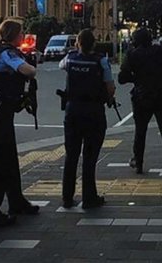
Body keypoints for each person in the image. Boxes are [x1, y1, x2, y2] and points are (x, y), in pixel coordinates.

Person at [0, 19, 39, 230]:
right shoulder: (7, 53)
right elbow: (28, 71)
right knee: (0, 165)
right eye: (21, 33)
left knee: (10, 160)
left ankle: (16, 202)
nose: (23, 36)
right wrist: (30, 63)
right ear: (14, 34)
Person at [118, 27, 162, 187]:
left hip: (141, 97)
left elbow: (122, 78)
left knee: (140, 131)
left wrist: (136, 78)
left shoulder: (132, 55)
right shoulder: (160, 51)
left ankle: (138, 161)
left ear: (135, 41)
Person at [59, 29, 115, 209]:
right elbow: (110, 87)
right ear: (94, 43)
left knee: (71, 156)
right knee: (90, 157)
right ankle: (89, 197)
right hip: (94, 112)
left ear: (77, 43)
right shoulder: (101, 61)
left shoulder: (70, 58)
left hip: (72, 111)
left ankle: (67, 197)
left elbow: (62, 66)